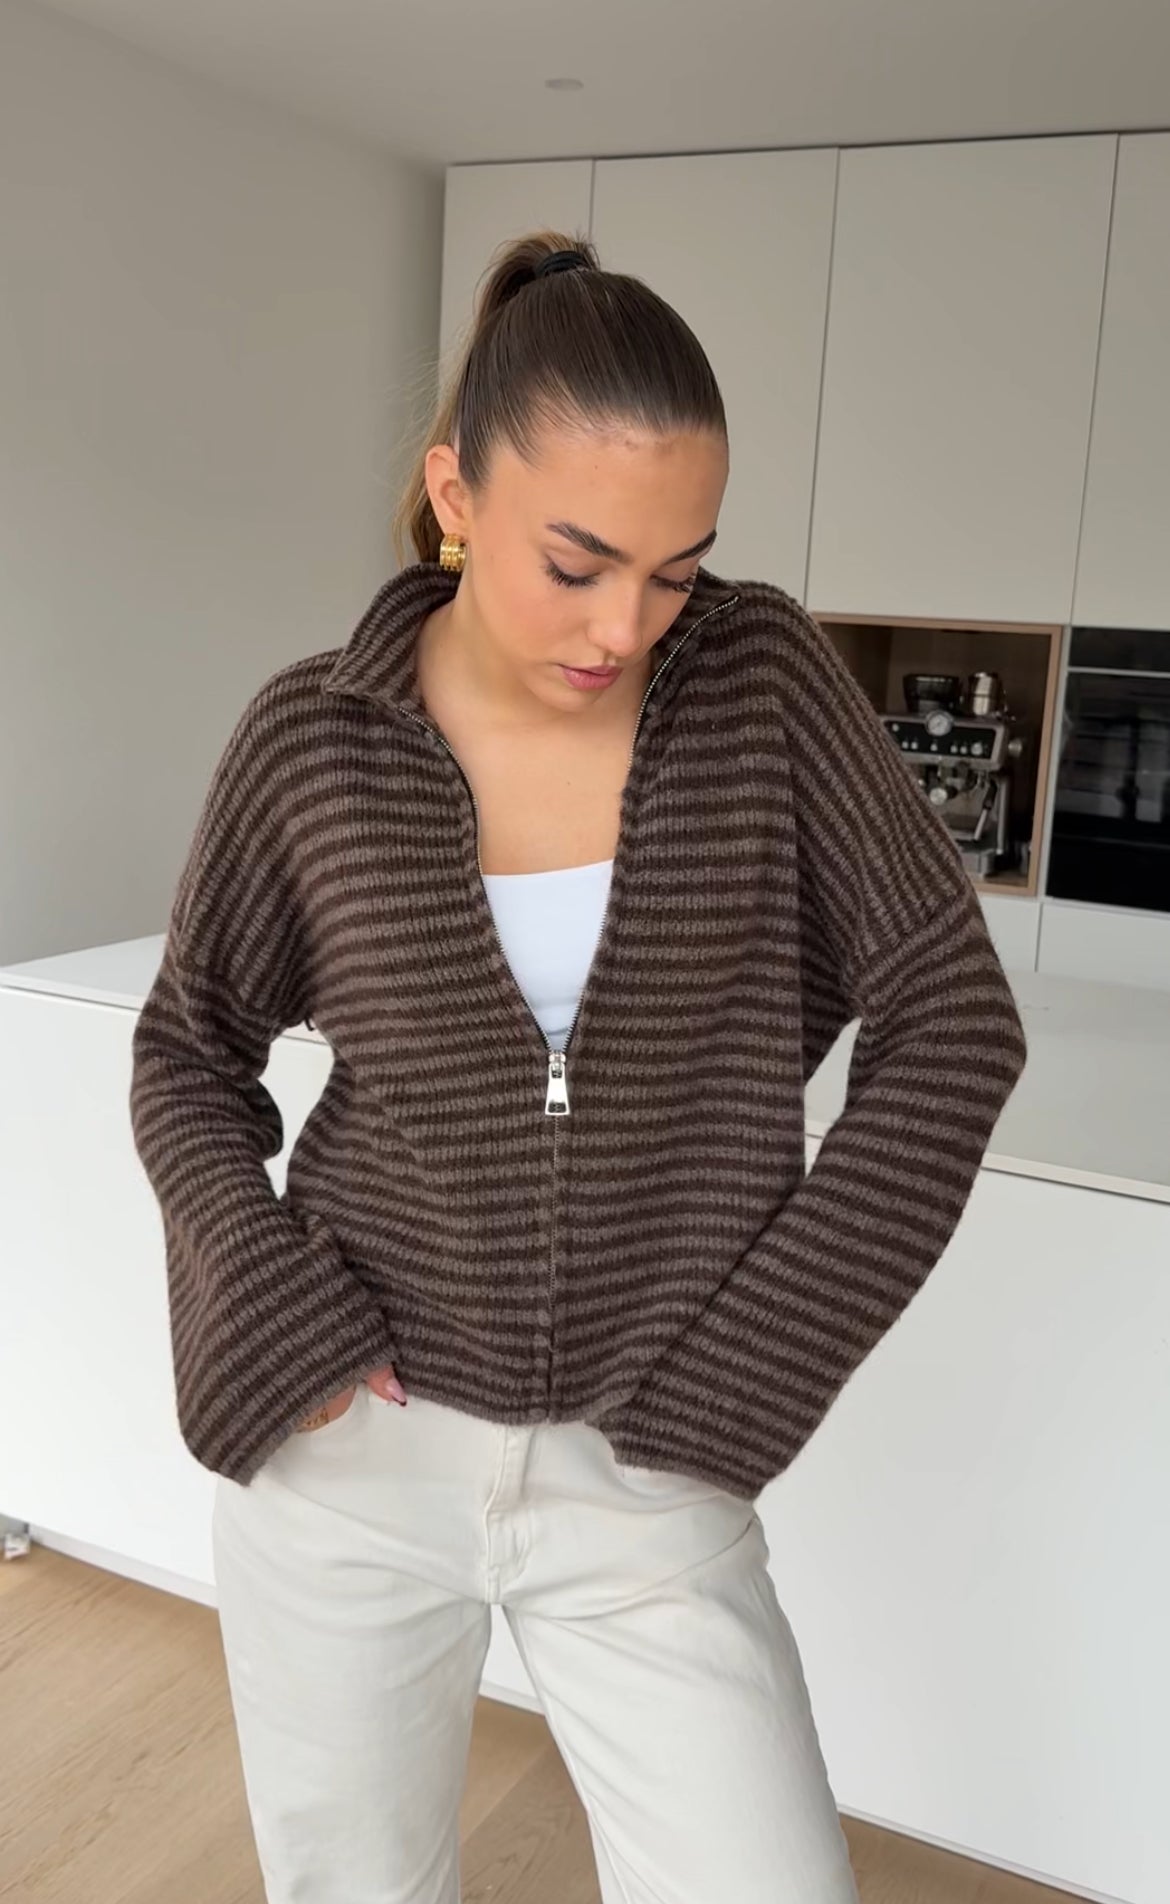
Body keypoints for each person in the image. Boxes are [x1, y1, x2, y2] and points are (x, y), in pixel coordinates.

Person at [128, 229, 1028, 1904]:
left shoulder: (762, 687)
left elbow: (955, 1020)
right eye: (578, 560)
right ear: (455, 496)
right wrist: (273, 1301)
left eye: (676, 569)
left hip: (647, 1461)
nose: (626, 624)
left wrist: (751, 1362)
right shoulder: (311, 738)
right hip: (350, 1461)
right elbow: (188, 1052)